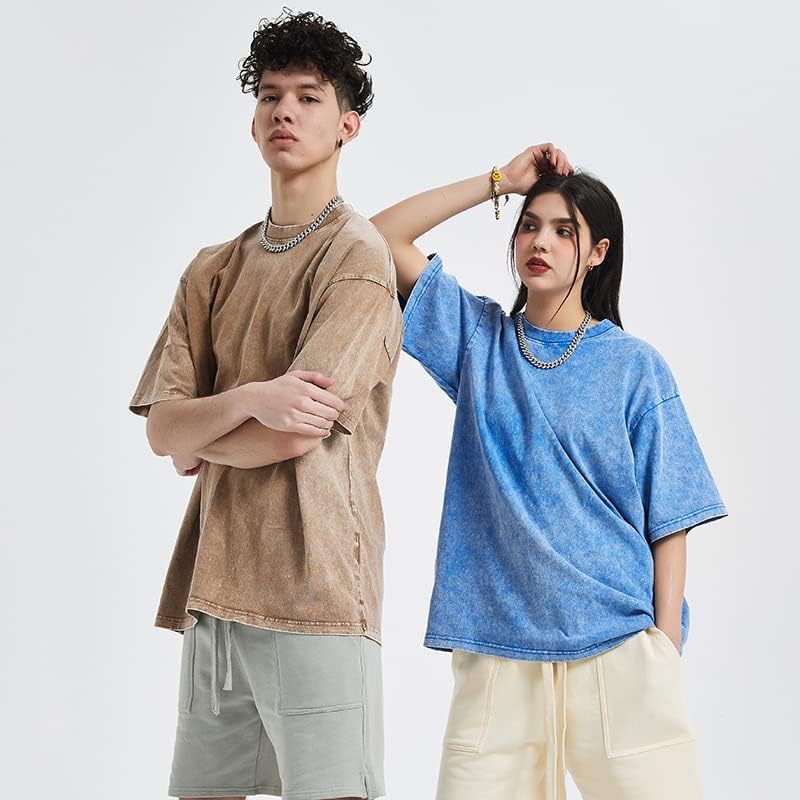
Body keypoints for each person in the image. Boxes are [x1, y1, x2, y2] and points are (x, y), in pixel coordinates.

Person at [371, 143, 727, 800]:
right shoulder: (479, 343)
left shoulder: (634, 367)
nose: (541, 241)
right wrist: (500, 181)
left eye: (565, 231)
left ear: (597, 253)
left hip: (618, 651)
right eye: (530, 225)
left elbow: (671, 516)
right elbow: (380, 238)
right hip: (497, 654)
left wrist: (664, 647)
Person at [129, 11, 402, 800]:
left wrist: (198, 432)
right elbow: (160, 429)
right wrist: (250, 398)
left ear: (347, 124)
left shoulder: (357, 259)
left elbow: (290, 438)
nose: (285, 111)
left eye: (309, 97)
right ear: (253, 122)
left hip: (316, 596)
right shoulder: (210, 270)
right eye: (271, 96)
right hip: (215, 601)